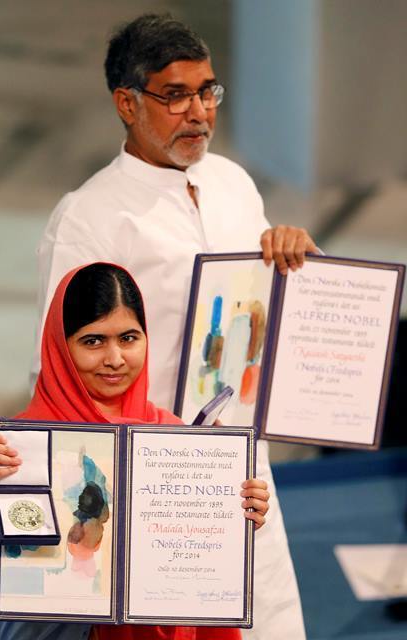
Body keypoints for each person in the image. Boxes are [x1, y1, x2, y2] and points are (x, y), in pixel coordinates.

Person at [33, 14, 318, 639]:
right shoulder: (89, 219)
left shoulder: (233, 184)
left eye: (208, 91)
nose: (199, 113)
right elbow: (56, 374)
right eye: (176, 95)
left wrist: (293, 260)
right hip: (157, 484)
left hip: (247, 470)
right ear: (127, 103)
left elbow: (266, 319)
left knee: (267, 622)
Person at [0, 262, 269, 640]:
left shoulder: (174, 437)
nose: (115, 358)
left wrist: (235, 511)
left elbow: (199, 573)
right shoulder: (22, 447)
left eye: (129, 338)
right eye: (93, 341)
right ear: (60, 346)